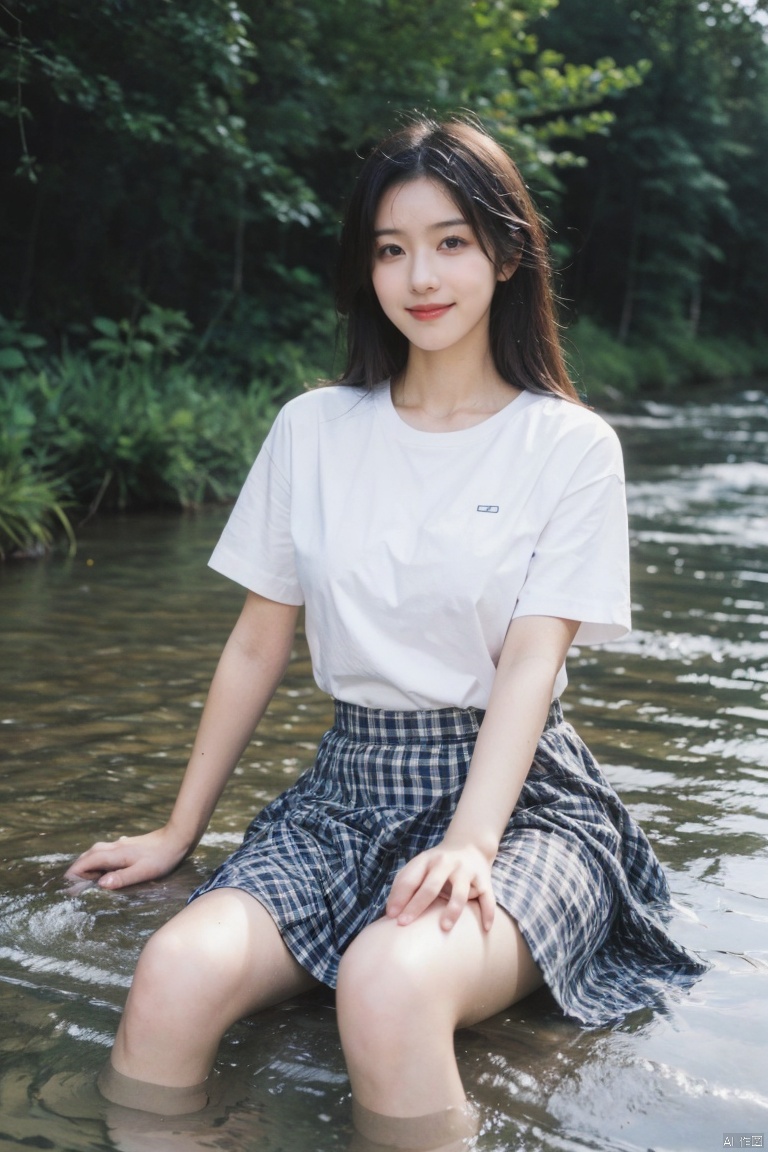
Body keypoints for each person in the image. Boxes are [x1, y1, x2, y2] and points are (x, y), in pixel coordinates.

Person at [67, 116, 707, 1150]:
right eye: (390, 247)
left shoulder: (569, 446)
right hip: (344, 789)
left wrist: (470, 842)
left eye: (451, 241)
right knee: (174, 974)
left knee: (386, 984)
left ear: (506, 253)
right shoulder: (312, 429)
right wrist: (178, 831)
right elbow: (254, 646)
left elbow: (531, 668)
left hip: (521, 802)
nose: (421, 275)